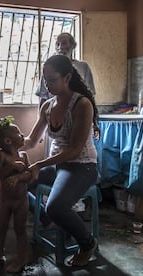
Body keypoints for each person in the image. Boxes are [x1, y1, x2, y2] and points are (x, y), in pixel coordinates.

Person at [24, 54, 99, 267]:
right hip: (59, 165)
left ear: (67, 78)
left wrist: (39, 165)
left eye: (53, 80)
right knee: (16, 183)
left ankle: (87, 243)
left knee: (55, 205)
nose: (48, 85)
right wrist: (6, 137)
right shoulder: (47, 106)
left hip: (82, 167)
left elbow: (75, 151)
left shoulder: (81, 105)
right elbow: (31, 140)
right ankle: (48, 218)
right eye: (45, 80)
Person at [0, 123, 32, 273]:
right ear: (8, 141)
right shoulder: (1, 156)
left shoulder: (24, 155)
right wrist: (12, 167)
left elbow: (29, 175)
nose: (22, 135)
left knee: (20, 229)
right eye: (19, 133)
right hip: (5, 202)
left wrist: (19, 177)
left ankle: (20, 259)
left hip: (21, 201)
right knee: (1, 228)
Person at [35, 32, 96, 106]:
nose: (60, 47)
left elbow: (90, 93)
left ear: (73, 45)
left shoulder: (83, 67)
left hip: (78, 108)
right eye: (57, 44)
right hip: (54, 109)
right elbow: (43, 96)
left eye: (64, 43)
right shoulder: (49, 68)